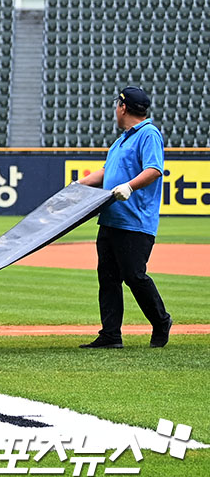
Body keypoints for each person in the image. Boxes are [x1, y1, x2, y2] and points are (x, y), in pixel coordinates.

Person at [76, 86, 171, 349]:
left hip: (135, 221)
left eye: (116, 105)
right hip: (110, 219)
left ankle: (161, 321)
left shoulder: (148, 134)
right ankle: (110, 335)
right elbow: (106, 173)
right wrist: (77, 186)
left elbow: (154, 170)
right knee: (107, 278)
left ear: (122, 107)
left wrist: (129, 186)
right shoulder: (121, 140)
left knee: (134, 276)